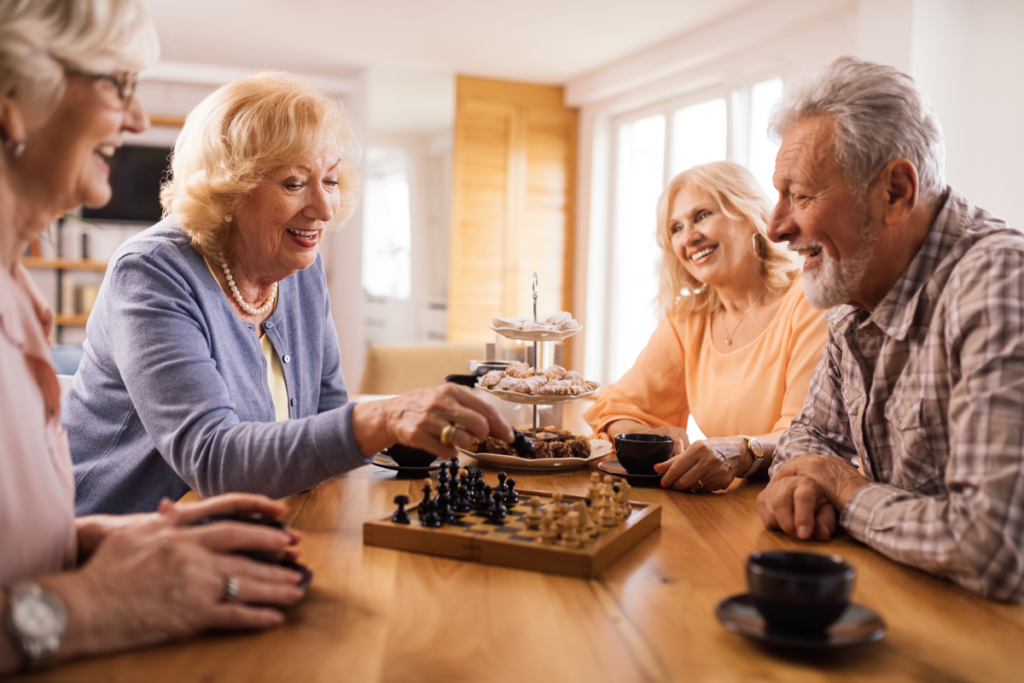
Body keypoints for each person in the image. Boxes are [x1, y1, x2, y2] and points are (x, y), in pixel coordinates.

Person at [0, 0, 310, 674]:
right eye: (117, 84)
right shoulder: (150, 270)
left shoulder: (18, 299)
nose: (138, 120)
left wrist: (105, 539)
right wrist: (94, 605)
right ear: (14, 98)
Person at [66, 71, 513, 516]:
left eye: (331, 180)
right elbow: (213, 459)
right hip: (110, 547)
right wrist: (383, 418)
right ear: (229, 190)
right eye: (294, 183)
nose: (323, 209)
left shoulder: (300, 269)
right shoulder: (152, 272)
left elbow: (327, 413)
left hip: (249, 525)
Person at [758, 56, 1024, 602]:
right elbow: (808, 442)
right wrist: (809, 480)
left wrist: (847, 492)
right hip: (907, 604)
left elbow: (991, 548)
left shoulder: (999, 280)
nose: (777, 227)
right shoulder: (854, 292)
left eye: (801, 195)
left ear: (896, 191)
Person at [584, 161, 828, 491]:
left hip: (792, 500)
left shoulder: (809, 300)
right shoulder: (689, 320)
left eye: (702, 216)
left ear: (748, 214)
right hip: (722, 508)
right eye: (676, 228)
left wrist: (743, 452)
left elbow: (805, 435)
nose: (690, 237)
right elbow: (616, 405)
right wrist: (647, 434)